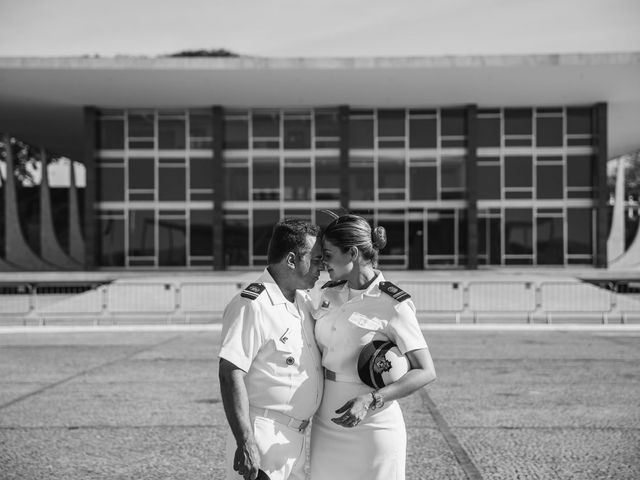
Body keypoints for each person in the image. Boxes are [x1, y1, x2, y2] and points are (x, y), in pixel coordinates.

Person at [309, 214, 437, 480]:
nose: (323, 262)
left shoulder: (393, 303)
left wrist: (371, 399)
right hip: (326, 422)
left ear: (352, 253)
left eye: (329, 254)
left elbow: (426, 370)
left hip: (374, 425)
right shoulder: (326, 294)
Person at [219, 219, 324, 480]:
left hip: (294, 440)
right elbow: (230, 372)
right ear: (291, 260)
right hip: (263, 436)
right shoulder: (253, 304)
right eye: (316, 259)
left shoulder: (304, 303)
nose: (322, 267)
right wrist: (246, 442)